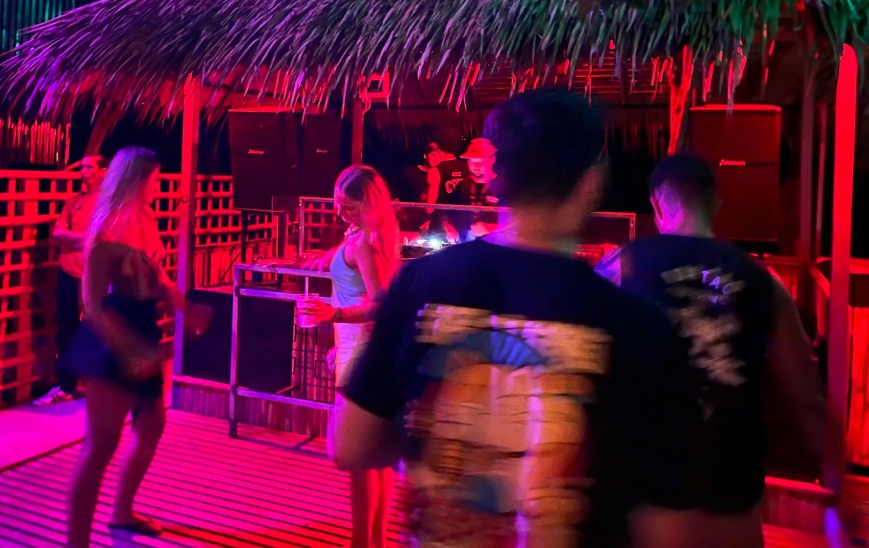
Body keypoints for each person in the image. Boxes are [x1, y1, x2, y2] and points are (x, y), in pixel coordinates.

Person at [331, 88, 695, 547]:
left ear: (496, 176)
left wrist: (428, 433)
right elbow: (665, 525)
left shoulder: (420, 283)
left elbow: (351, 445)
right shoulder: (631, 324)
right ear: (590, 182)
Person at [594, 154, 826, 548]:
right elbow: (809, 401)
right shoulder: (764, 281)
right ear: (716, 203)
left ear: (656, 206)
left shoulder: (620, 266)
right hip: (734, 509)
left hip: (651, 511)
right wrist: (840, 500)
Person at [64, 147, 208, 547]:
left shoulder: (145, 219)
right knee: (101, 445)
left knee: (151, 426)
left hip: (143, 331)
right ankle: (76, 542)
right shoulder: (106, 229)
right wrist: (127, 349)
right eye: (154, 179)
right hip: (113, 335)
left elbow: (157, 276)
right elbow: (92, 304)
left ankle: (122, 511)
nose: (157, 186)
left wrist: (186, 307)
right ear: (136, 179)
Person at [298, 165, 401, 548]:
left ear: (368, 205)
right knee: (373, 460)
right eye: (337, 204)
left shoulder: (363, 244)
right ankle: (373, 541)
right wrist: (326, 258)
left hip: (361, 352)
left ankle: (362, 542)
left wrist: (334, 315)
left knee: (351, 455)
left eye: (349, 207)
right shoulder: (367, 237)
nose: (340, 213)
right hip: (360, 347)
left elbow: (380, 302)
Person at [37, 155, 107, 405]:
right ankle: (66, 385)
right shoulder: (72, 202)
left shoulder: (107, 203)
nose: (83, 170)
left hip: (94, 274)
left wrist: (75, 238)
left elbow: (102, 238)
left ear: (102, 171)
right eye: (82, 166)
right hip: (68, 272)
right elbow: (57, 232)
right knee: (65, 327)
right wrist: (82, 239)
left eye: (89, 166)